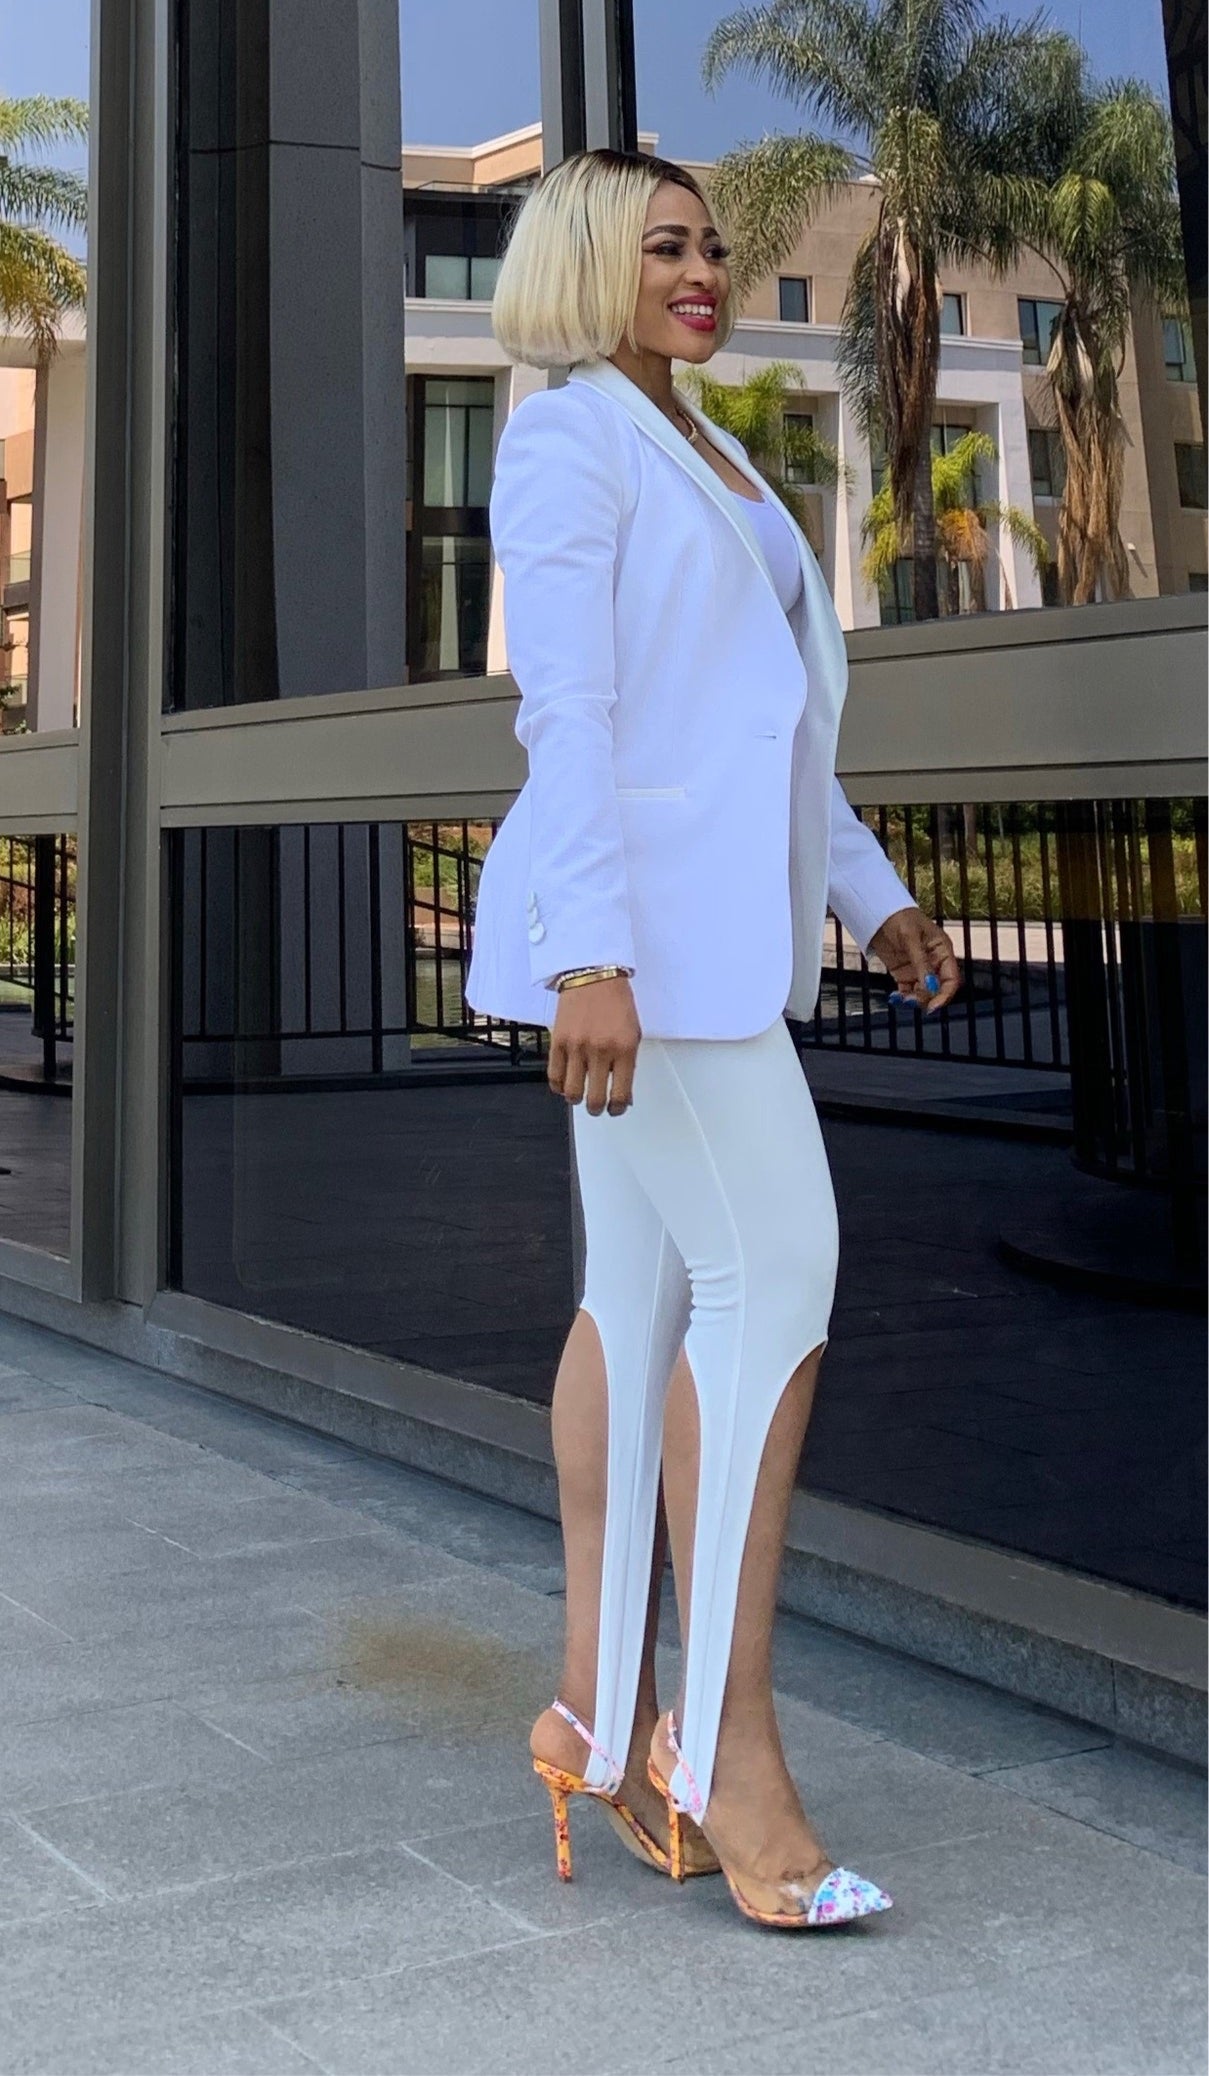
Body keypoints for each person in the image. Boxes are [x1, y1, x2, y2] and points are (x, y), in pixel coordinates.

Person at [464, 147, 961, 1931]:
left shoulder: (713, 449)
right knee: (782, 1279)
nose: (701, 268)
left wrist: (870, 896)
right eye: (660, 245)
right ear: (585, 263)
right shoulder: (567, 439)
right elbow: (573, 714)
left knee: (641, 1296)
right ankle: (724, 1750)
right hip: (643, 961)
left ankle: (598, 1716)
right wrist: (590, 953)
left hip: (704, 947)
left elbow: (766, 732)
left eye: (710, 244)